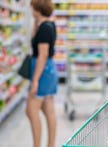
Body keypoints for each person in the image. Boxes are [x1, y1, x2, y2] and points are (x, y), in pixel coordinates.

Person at [26, 0, 58, 147]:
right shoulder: (48, 25)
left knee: (31, 111)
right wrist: (35, 22)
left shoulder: (45, 28)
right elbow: (34, 41)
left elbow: (42, 55)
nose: (31, 10)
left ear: (37, 9)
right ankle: (50, 145)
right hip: (48, 70)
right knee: (48, 110)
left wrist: (35, 81)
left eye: (32, 7)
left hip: (42, 71)